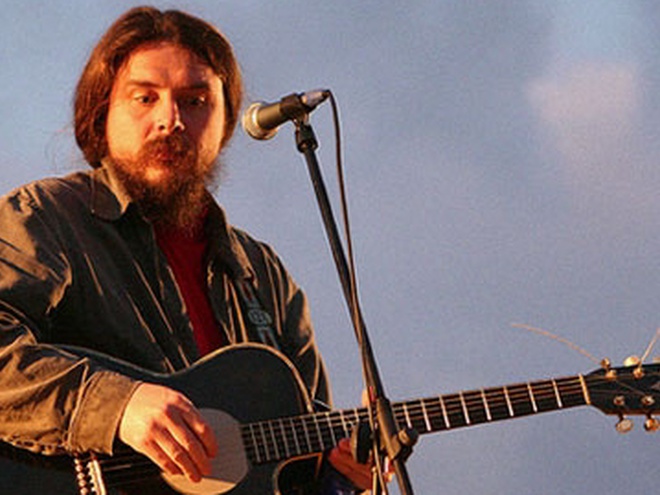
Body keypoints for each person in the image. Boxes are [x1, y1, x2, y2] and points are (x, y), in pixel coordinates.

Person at [0, 6, 374, 494]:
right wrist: (118, 407)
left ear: (225, 122)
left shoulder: (263, 277)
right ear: (101, 113)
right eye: (145, 98)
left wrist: (344, 480)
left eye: (195, 101)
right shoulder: (45, 218)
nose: (170, 120)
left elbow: (298, 472)